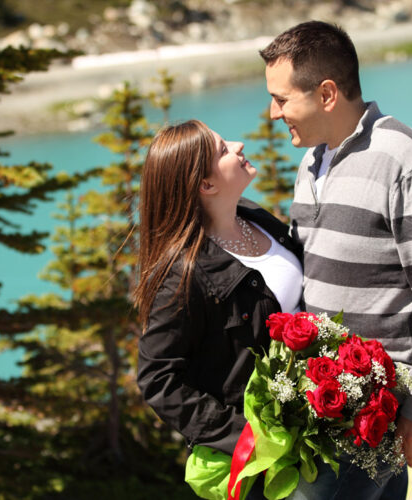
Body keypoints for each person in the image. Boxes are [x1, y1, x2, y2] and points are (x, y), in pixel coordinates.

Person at [260, 21, 412, 498]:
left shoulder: (407, 162)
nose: (273, 113)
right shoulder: (312, 160)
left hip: (373, 416)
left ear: (328, 93)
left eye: (282, 99)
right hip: (321, 410)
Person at [134, 120, 304, 499]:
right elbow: (156, 378)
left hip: (307, 431)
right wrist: (244, 434)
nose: (239, 144)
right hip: (257, 468)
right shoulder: (184, 275)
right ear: (206, 185)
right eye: (224, 149)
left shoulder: (255, 217)